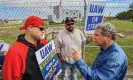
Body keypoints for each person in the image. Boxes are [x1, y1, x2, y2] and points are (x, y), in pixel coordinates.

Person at [2, 16, 48, 80]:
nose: (43, 31)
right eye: (41, 29)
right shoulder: (15, 52)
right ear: (30, 28)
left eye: (44, 29)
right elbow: (10, 77)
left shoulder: (44, 43)